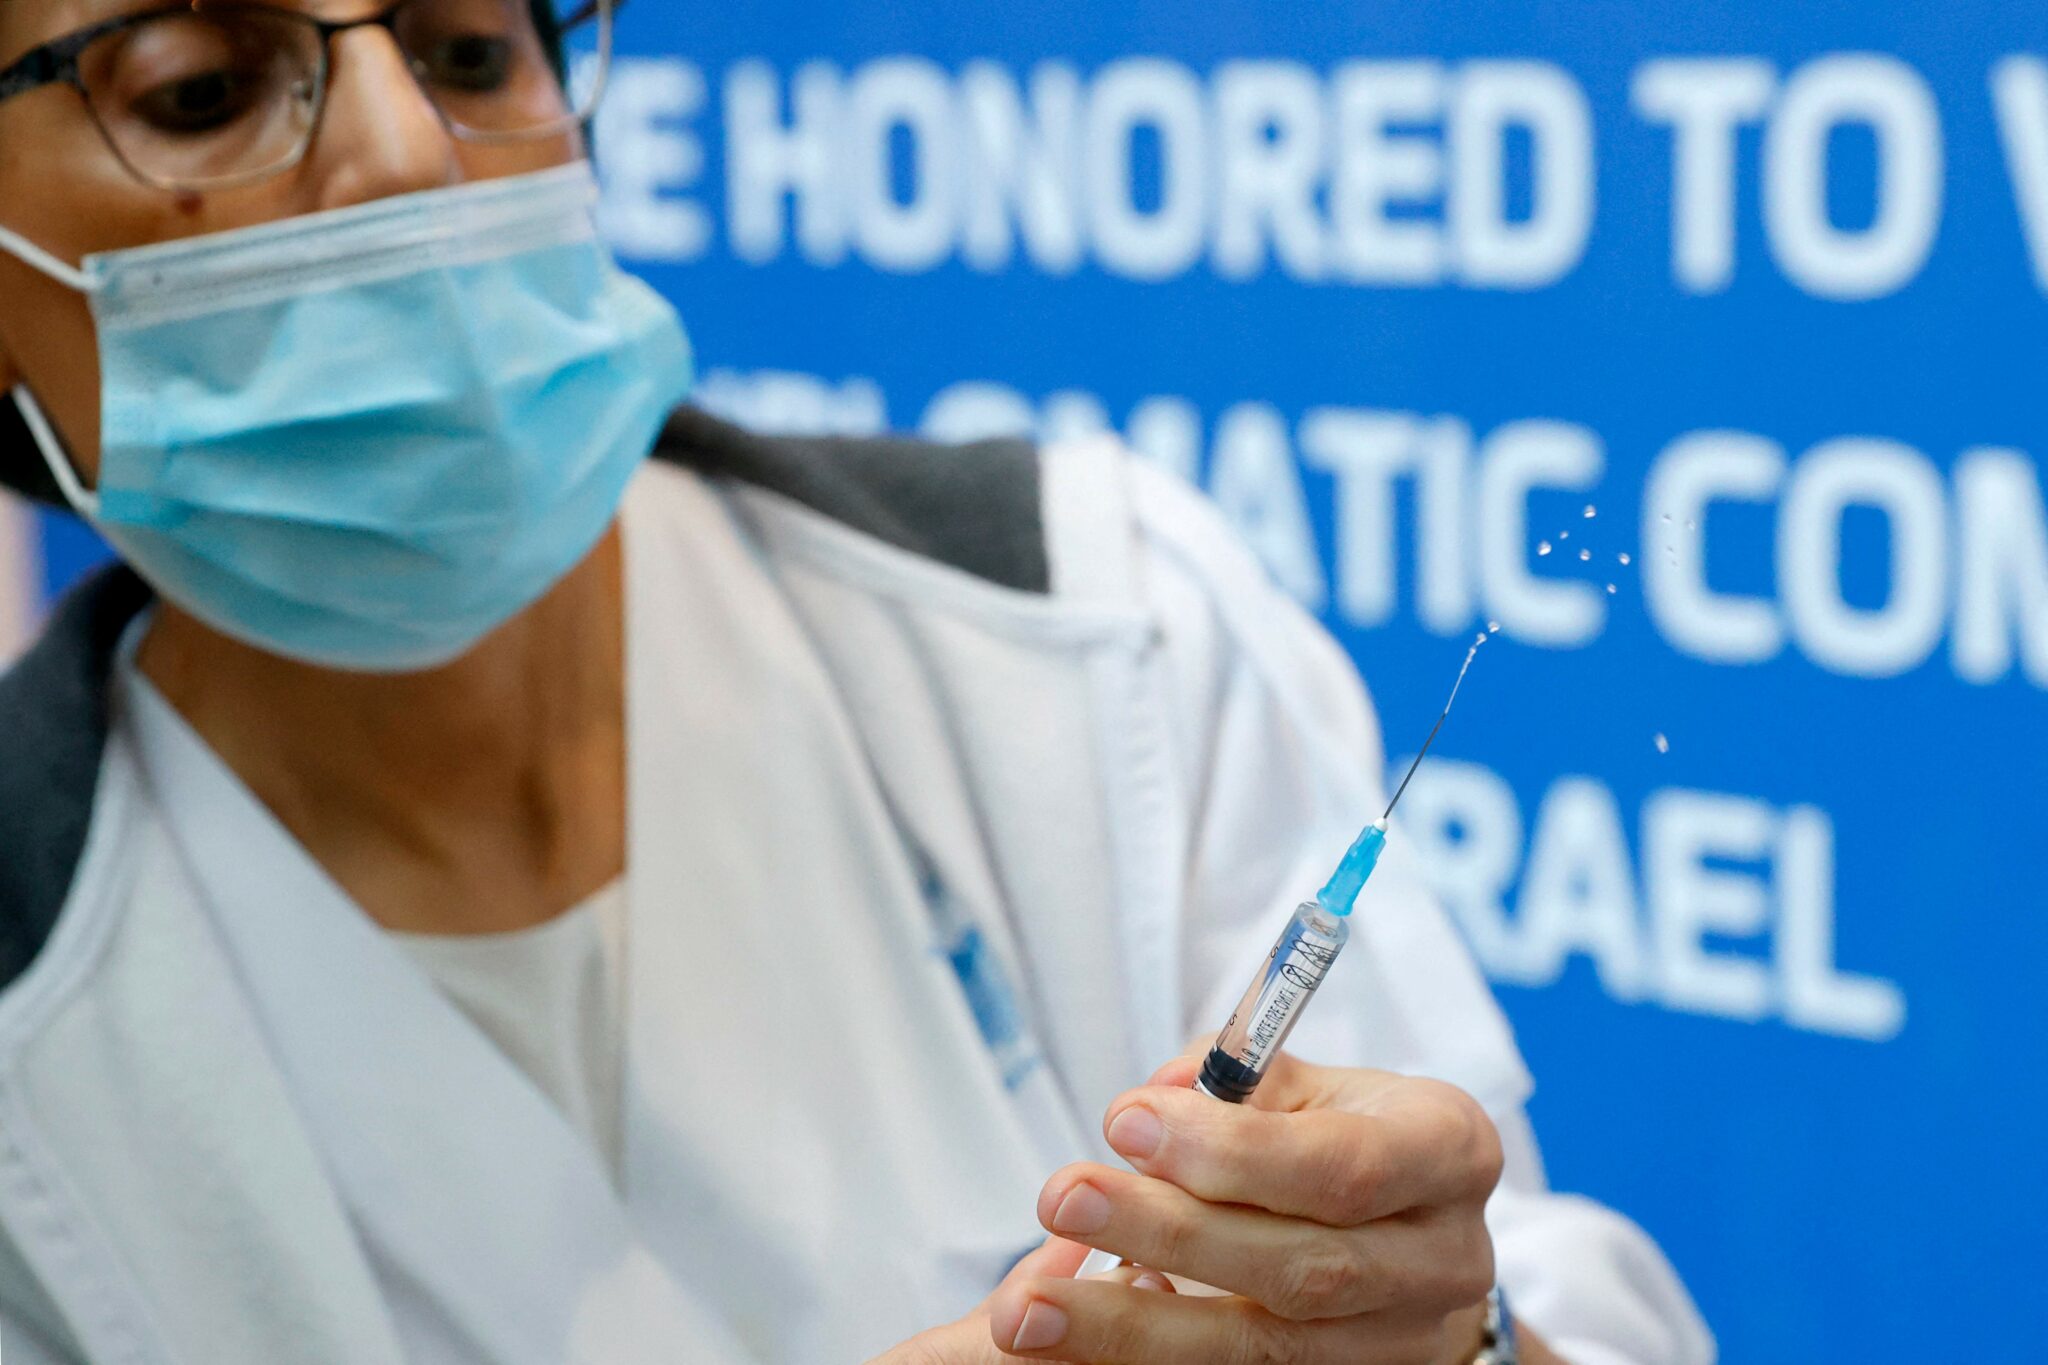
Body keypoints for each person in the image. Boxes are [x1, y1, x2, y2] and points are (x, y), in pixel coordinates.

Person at [0, 3, 1714, 1363]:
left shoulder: (1091, 618)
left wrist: (1458, 1336)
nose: (404, 151)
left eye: (467, 50)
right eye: (204, 85)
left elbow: (1556, 1299)